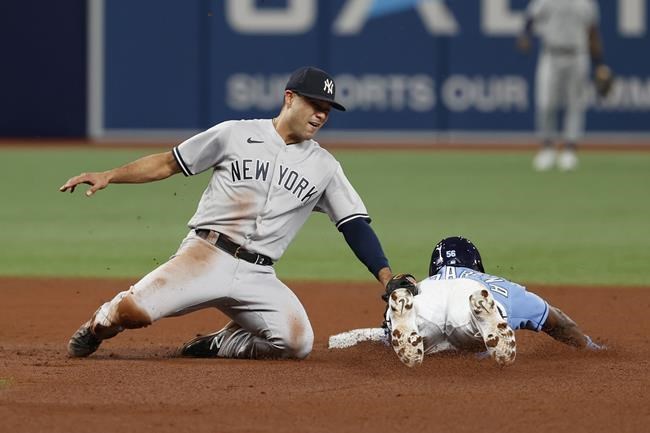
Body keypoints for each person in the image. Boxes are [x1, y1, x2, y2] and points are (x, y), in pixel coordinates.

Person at [60, 66, 394, 360]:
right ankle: (102, 320)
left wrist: (386, 277)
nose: (321, 115)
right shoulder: (235, 133)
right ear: (289, 98)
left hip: (258, 275)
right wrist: (110, 175)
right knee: (134, 312)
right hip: (205, 255)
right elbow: (168, 162)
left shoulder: (325, 166)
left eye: (327, 110)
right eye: (314, 105)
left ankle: (226, 341)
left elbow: (355, 225)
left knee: (297, 344)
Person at [382, 236, 604, 368]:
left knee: (420, 321)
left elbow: (387, 336)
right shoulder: (498, 285)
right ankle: (484, 316)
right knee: (468, 323)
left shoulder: (423, 284)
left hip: (429, 298)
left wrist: (390, 328)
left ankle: (412, 323)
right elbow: (557, 321)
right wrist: (588, 346)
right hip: (471, 295)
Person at [517, 0, 610, 171]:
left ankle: (570, 149)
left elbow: (593, 34)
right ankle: (547, 148)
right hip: (551, 54)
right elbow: (530, 18)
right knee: (545, 103)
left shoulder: (586, 4)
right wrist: (525, 35)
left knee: (575, 104)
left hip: (577, 55)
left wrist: (599, 64)